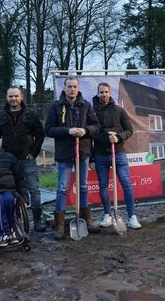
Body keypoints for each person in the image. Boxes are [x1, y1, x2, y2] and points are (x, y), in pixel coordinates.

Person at [45, 76, 100, 240]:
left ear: (78, 87)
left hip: (82, 152)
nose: (72, 89)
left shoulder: (86, 106)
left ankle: (87, 219)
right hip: (64, 153)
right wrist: (67, 131)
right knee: (62, 187)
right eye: (69, 86)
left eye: (75, 86)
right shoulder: (56, 107)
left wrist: (86, 131)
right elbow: (48, 129)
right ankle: (60, 226)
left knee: (83, 186)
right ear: (64, 88)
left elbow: (96, 126)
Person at [0, 86, 46, 232]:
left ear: (21, 97)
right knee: (13, 190)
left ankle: (37, 221)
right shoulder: (1, 115)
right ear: (6, 98)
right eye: (10, 96)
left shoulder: (31, 114)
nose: (13, 99)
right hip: (9, 161)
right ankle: (16, 219)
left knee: (34, 190)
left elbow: (40, 134)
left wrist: (33, 153)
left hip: (27, 159)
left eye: (16, 96)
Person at [92, 82, 141, 229]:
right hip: (100, 154)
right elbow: (91, 133)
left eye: (106, 92)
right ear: (98, 93)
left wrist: (118, 138)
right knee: (103, 186)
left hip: (118, 152)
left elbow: (129, 130)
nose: (104, 95)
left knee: (126, 183)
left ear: (110, 93)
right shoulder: (92, 112)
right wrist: (94, 156)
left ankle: (132, 216)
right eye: (101, 92)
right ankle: (108, 215)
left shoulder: (120, 111)